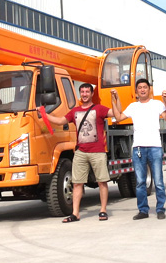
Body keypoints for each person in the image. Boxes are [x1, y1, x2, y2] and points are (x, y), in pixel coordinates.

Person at [44, 83, 114, 223]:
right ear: (80, 94)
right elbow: (60, 121)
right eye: (82, 92)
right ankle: (75, 213)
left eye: (87, 92)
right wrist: (44, 115)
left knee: (102, 182)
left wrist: (115, 98)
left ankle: (103, 210)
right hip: (80, 152)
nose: (84, 94)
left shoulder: (99, 109)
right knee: (77, 183)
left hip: (97, 151)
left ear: (92, 94)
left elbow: (115, 113)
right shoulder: (75, 111)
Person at [111, 79, 166, 220]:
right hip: (138, 147)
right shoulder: (133, 106)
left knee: (158, 181)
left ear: (149, 89)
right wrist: (114, 99)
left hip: (155, 147)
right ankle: (143, 210)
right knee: (140, 182)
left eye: (145, 87)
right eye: (140, 87)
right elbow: (118, 117)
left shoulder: (157, 104)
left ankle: (160, 209)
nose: (143, 90)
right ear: (136, 91)